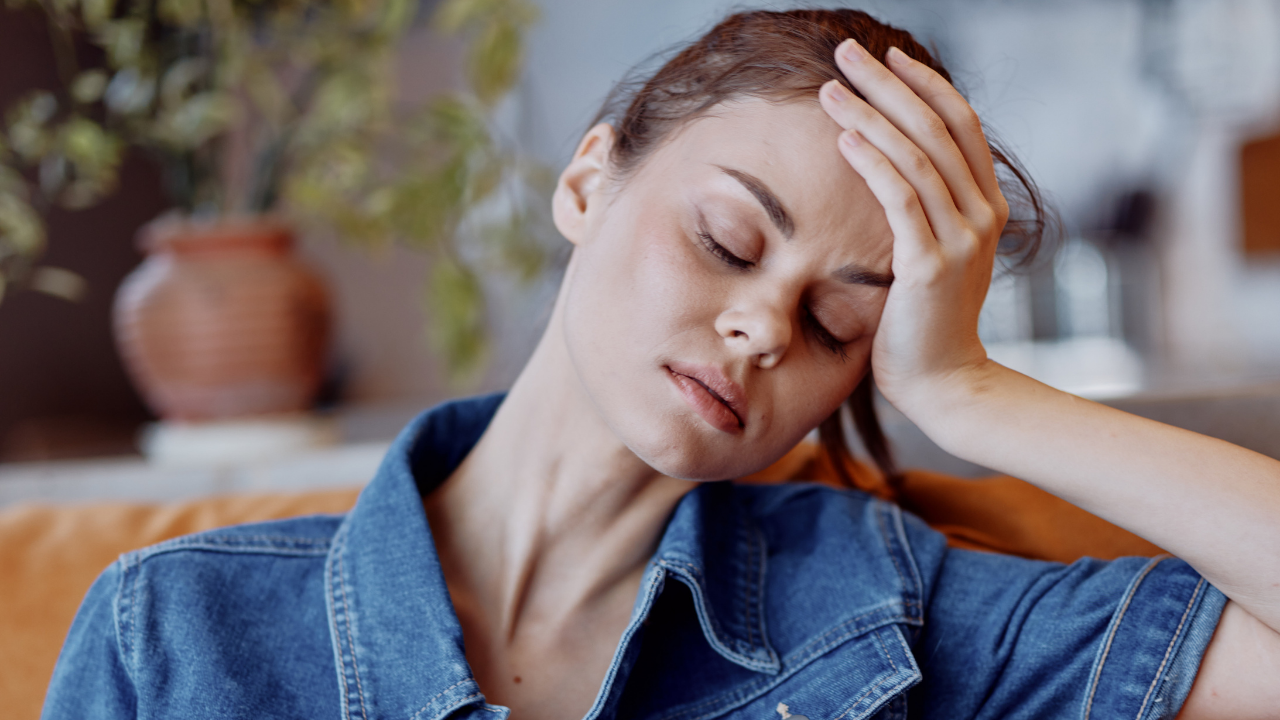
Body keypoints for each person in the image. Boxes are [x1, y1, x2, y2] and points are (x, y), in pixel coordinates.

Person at [42, 9, 1280, 720]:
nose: (759, 330)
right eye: (723, 240)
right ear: (587, 180)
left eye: (835, 325)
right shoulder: (177, 631)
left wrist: (970, 392)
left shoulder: (883, 608)